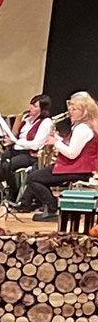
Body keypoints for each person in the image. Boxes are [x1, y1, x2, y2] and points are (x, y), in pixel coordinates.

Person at [18, 90, 98, 224]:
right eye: (70, 107)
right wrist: (59, 139)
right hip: (75, 167)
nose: (70, 111)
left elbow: (72, 154)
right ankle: (51, 206)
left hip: (77, 169)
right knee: (36, 174)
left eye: (75, 109)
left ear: (85, 111)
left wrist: (56, 142)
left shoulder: (82, 129)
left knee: (33, 178)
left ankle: (52, 208)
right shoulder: (83, 126)